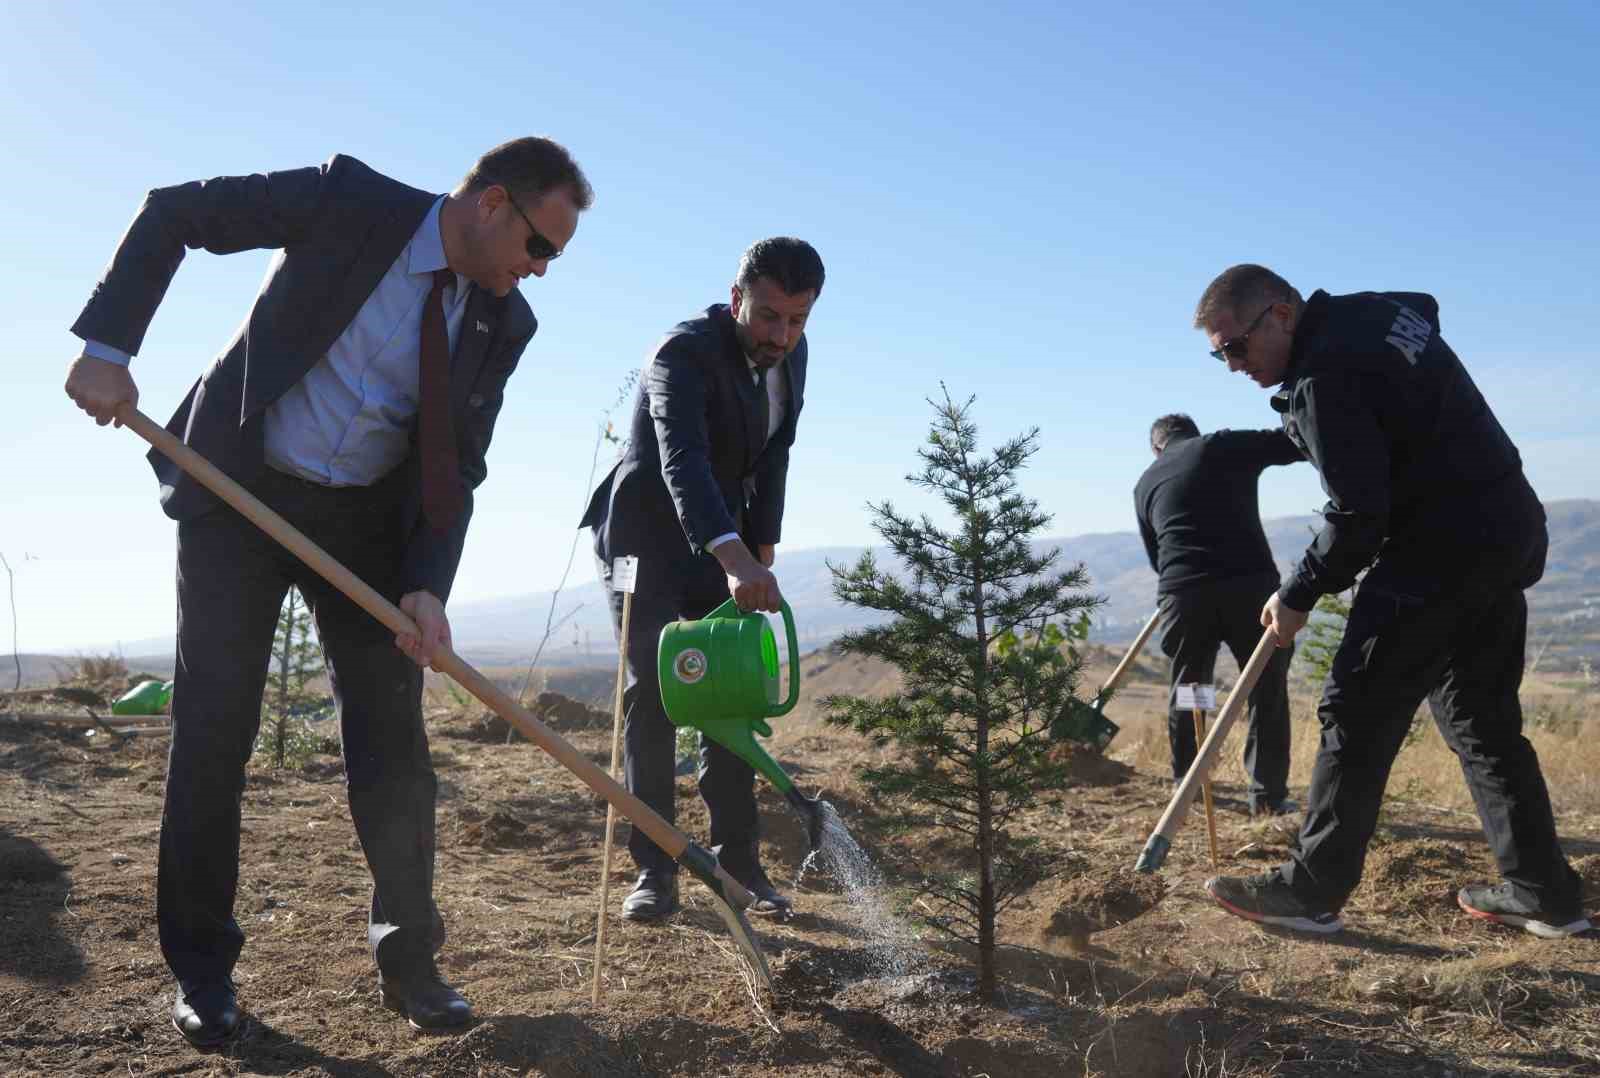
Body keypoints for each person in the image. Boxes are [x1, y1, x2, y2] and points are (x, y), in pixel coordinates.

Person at [63, 138, 593, 1044]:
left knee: (394, 745)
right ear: (494, 202)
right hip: (242, 491)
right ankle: (202, 973)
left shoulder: (503, 325)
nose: (538, 272)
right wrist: (108, 348)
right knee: (213, 729)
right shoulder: (349, 203)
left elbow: (456, 468)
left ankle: (413, 964)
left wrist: (427, 587)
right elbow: (174, 213)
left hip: (366, 530)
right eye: (539, 246)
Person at [1191, 263, 1590, 939]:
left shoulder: (1324, 378)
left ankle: (1310, 889)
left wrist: (1297, 595)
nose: (1232, 364)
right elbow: (1423, 308)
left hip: (1438, 548)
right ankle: (1543, 892)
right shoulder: (1375, 316)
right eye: (1218, 353)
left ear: (1281, 315)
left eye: (1236, 346)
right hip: (1508, 527)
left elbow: (1356, 516)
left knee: (1356, 707)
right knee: (1482, 722)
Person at [581, 238, 823, 922]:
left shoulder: (791, 357)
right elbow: (680, 461)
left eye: (796, 321)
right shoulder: (679, 354)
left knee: (731, 689)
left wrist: (762, 548)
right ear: (736, 295)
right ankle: (656, 871)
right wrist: (735, 558)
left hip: (726, 547)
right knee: (654, 691)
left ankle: (738, 868)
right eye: (768, 316)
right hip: (642, 541)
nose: (780, 335)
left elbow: (774, 453)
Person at [1134, 413, 1302, 815]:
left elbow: (1157, 557)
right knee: (1265, 689)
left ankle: (1190, 786)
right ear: (1192, 434)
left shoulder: (1146, 482)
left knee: (1194, 689)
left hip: (1185, 597)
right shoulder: (1219, 446)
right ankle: (1267, 797)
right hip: (1249, 590)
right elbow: (1290, 443)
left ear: (1157, 448)